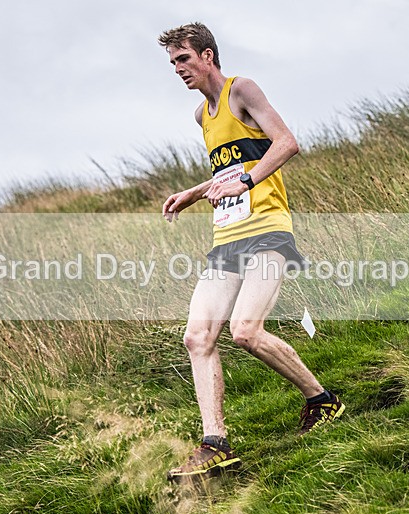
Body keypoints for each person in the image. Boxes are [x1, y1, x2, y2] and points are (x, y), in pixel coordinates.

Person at [158, 22, 344, 482]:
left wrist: (246, 182)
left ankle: (323, 401)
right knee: (197, 337)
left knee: (245, 331)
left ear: (207, 56)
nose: (178, 69)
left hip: (267, 231)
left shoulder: (242, 89)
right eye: (173, 62)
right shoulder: (202, 116)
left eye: (183, 59)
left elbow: (286, 143)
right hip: (227, 237)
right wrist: (195, 192)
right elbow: (232, 166)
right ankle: (216, 444)